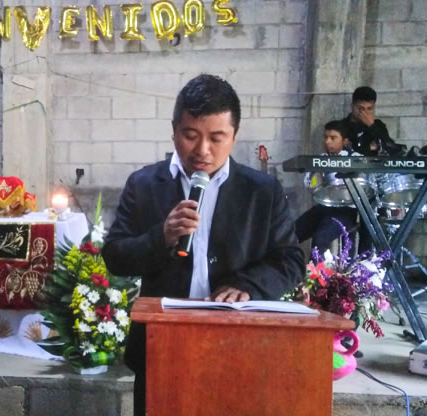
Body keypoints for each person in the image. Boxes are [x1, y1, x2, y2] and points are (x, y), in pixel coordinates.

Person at [101, 74, 304, 416]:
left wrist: (248, 285)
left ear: (234, 136)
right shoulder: (144, 184)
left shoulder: (262, 191)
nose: (202, 150)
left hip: (239, 344)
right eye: (191, 135)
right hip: (162, 346)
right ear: (174, 131)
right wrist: (161, 237)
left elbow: (291, 260)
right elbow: (115, 257)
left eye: (216, 138)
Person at [295, 120, 362, 254]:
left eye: (333, 138)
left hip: (346, 210)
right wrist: (313, 173)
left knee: (320, 238)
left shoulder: (356, 158)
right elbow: (308, 183)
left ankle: (317, 268)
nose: (327, 141)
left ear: (345, 141)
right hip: (324, 207)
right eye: (325, 137)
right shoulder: (321, 159)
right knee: (291, 234)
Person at [339, 86, 405, 156]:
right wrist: (368, 148)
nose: (365, 112)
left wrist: (372, 125)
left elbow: (391, 148)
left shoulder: (378, 125)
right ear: (352, 106)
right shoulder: (340, 126)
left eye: (369, 108)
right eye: (361, 108)